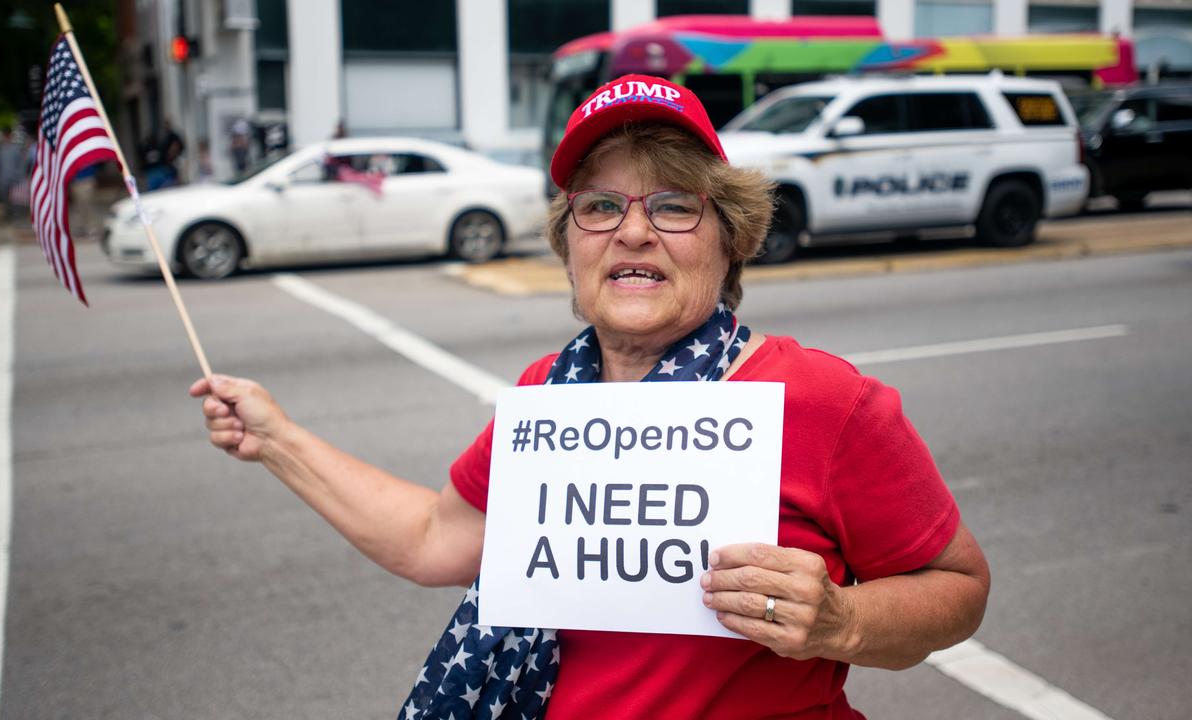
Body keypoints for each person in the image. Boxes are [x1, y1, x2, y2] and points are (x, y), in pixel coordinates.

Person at [190, 74, 989, 719]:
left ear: (730, 239)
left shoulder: (823, 399)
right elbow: (435, 538)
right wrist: (278, 439)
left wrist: (840, 623)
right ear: (569, 244)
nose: (632, 233)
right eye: (600, 206)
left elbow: (958, 590)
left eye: (674, 205)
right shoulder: (550, 395)